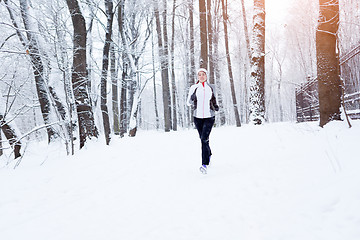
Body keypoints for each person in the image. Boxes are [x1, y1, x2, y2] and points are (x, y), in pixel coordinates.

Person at [187, 68, 219, 174]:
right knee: (203, 139)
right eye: (199, 75)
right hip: (198, 117)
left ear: (206, 76)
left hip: (209, 117)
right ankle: (208, 154)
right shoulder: (194, 87)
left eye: (203, 74)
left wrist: (215, 106)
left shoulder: (211, 87)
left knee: (204, 139)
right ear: (197, 76)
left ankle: (204, 164)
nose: (201, 76)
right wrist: (192, 98)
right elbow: (188, 103)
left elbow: (214, 99)